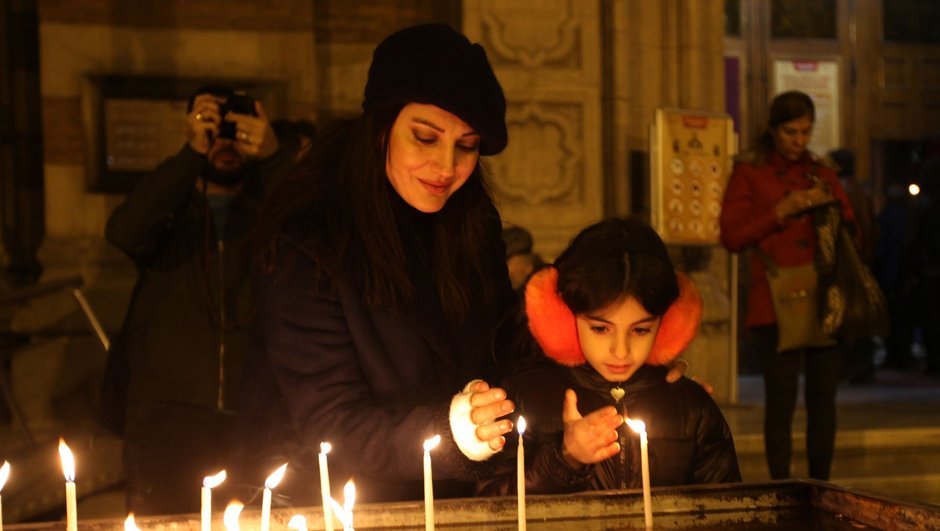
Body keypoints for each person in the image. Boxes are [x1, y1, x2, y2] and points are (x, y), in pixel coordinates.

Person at [234, 24, 693, 506]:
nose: (446, 166)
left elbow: (504, 350)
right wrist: (455, 431)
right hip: (321, 501)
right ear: (381, 126)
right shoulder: (308, 241)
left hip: (451, 498)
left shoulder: (470, 224)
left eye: (467, 146)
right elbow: (333, 423)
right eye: (425, 138)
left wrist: (621, 370)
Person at [104, 84, 292, 515]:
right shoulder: (173, 206)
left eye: (236, 126)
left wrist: (275, 157)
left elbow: (322, 234)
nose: (225, 141)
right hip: (167, 419)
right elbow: (123, 232)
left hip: (253, 416)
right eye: (215, 128)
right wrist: (191, 153)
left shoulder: (273, 208)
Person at [477, 217, 740, 496]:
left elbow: (729, 509)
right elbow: (489, 506)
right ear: (563, 316)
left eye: (640, 330)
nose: (621, 351)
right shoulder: (523, 396)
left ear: (668, 325)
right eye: (601, 328)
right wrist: (564, 459)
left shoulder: (691, 407)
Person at [719, 90, 856, 481]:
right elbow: (732, 236)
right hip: (773, 303)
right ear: (773, 130)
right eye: (791, 132)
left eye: (806, 132)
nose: (799, 141)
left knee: (823, 403)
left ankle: (821, 487)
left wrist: (831, 210)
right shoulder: (750, 172)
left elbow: (852, 228)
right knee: (780, 403)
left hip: (824, 299)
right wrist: (783, 210)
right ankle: (781, 488)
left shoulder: (822, 170)